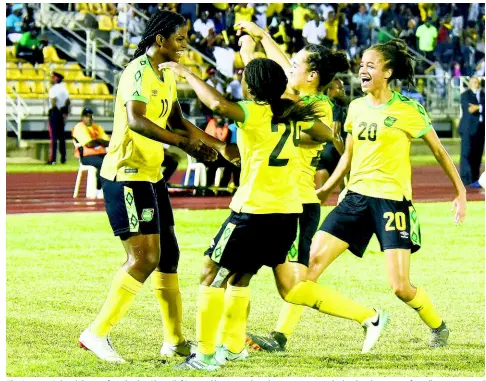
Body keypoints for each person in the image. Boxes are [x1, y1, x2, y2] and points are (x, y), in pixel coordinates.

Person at [252, 38, 467, 352]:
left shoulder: (408, 110)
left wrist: (460, 192)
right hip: (355, 199)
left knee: (400, 286)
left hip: (392, 202)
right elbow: (348, 156)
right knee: (309, 267)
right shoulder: (355, 107)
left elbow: (440, 152)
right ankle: (279, 337)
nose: (362, 70)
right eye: (362, 64)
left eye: (370, 65)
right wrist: (328, 187)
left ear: (388, 72)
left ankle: (439, 327)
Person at [160, 51, 344, 370]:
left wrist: (185, 72)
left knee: (211, 273)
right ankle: (233, 346)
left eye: (244, 78)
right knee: (241, 277)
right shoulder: (288, 114)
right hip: (285, 214)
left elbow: (218, 105)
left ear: (251, 87)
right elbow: (327, 135)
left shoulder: (255, 113)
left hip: (252, 211)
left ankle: (204, 355)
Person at [78, 10, 238, 364]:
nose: (185, 45)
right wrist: (185, 145)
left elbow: (178, 120)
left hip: (150, 176)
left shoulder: (164, 76)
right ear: (160, 39)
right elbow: (136, 120)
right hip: (127, 174)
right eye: (180, 39)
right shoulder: (137, 71)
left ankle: (175, 341)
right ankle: (96, 333)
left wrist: (218, 145)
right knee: (144, 258)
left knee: (168, 257)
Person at [236, 21, 386, 356]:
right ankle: (236, 342)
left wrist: (250, 56)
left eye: (294, 66)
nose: (287, 68)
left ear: (312, 75)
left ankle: (368, 316)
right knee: (275, 282)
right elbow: (283, 68)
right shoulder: (304, 93)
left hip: (296, 204)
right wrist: (263, 35)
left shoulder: (313, 105)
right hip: (280, 201)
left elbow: (270, 84)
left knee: (289, 286)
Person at [315, 78, 348, 190]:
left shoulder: (319, 104)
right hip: (333, 150)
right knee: (345, 186)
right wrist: (344, 154)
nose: (343, 90)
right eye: (340, 88)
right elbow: (335, 134)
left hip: (320, 150)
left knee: (320, 193)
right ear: (330, 90)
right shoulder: (336, 107)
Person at [71, 108, 110, 197]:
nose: (89, 118)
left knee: (113, 162)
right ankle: (98, 189)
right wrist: (100, 141)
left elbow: (108, 142)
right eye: (86, 116)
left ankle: (108, 189)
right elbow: (89, 144)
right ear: (82, 118)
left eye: (90, 116)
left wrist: (98, 141)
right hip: (86, 156)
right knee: (103, 164)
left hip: (100, 154)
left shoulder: (97, 127)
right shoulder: (79, 128)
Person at [459, 76, 485, 188]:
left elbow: (477, 108)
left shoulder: (483, 95)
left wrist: (478, 107)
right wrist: (482, 107)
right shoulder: (465, 95)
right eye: (473, 82)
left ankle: (475, 178)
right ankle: (465, 180)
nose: (476, 84)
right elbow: (470, 109)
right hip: (468, 130)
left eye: (477, 82)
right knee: (466, 154)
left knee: (477, 155)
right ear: (469, 84)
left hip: (481, 129)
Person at [47, 72, 70, 165]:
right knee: (62, 137)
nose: (51, 79)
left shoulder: (53, 89)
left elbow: (53, 100)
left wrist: (55, 109)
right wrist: (65, 112)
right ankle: (63, 158)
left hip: (55, 113)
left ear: (55, 79)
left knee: (54, 137)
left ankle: (53, 159)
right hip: (61, 114)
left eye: (52, 77)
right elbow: (68, 101)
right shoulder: (64, 89)